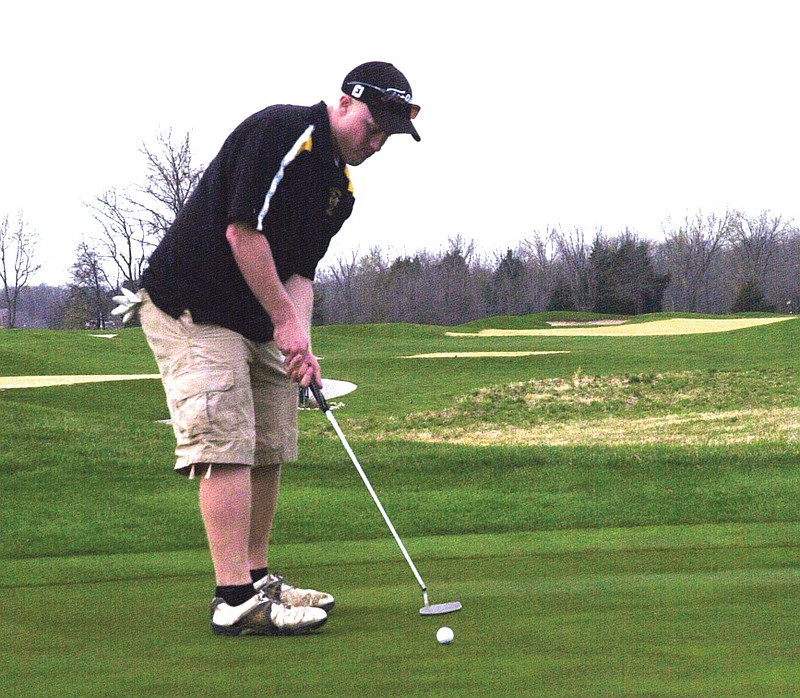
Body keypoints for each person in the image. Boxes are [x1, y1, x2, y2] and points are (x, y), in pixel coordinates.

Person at [137, 61, 421, 636]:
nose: (376, 141)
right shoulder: (283, 133)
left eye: (387, 134)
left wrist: (301, 341)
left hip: (254, 314)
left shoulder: (340, 193)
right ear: (345, 102)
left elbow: (301, 276)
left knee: (270, 439)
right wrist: (284, 325)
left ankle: (259, 576)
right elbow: (244, 233)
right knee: (227, 443)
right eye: (372, 125)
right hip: (192, 303)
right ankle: (234, 598)